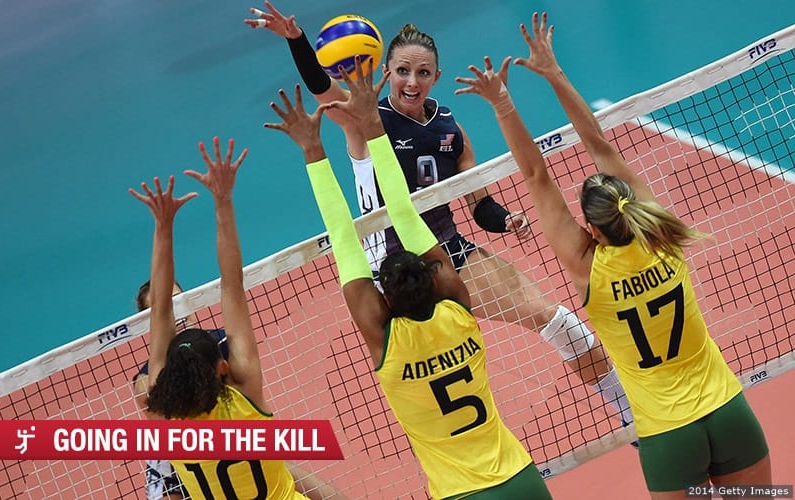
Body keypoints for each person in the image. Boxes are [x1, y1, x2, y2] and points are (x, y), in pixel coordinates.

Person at [244, 0, 635, 430]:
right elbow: (322, 87)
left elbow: (479, 204)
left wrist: (504, 219)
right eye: (402, 71)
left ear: (436, 77)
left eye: (423, 72)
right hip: (390, 272)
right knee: (425, 384)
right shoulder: (362, 118)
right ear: (385, 72)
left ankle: (628, 412)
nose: (412, 81)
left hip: (447, 252)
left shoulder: (450, 129)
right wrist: (297, 40)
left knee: (553, 318)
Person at [455, 11, 772, 498]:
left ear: (590, 229)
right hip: (730, 414)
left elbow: (536, 176)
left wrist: (503, 104)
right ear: (631, 205)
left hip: (668, 437)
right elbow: (598, 142)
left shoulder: (588, 268)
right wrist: (555, 72)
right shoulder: (661, 234)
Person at [265, 58, 553, 499]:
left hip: (460, 493)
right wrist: (368, 127)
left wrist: (311, 148)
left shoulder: (390, 349)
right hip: (521, 477)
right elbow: (405, 211)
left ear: (384, 300)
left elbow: (344, 235)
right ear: (438, 276)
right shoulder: (460, 313)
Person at [129, 139, 344, 500]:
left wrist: (162, 227)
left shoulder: (166, 418)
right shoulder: (245, 395)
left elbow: (160, 311)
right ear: (223, 367)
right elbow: (231, 284)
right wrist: (222, 200)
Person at [132, 281, 228, 500]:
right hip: (178, 456)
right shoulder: (146, 385)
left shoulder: (224, 343)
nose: (175, 312)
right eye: (163, 309)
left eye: (177, 300)